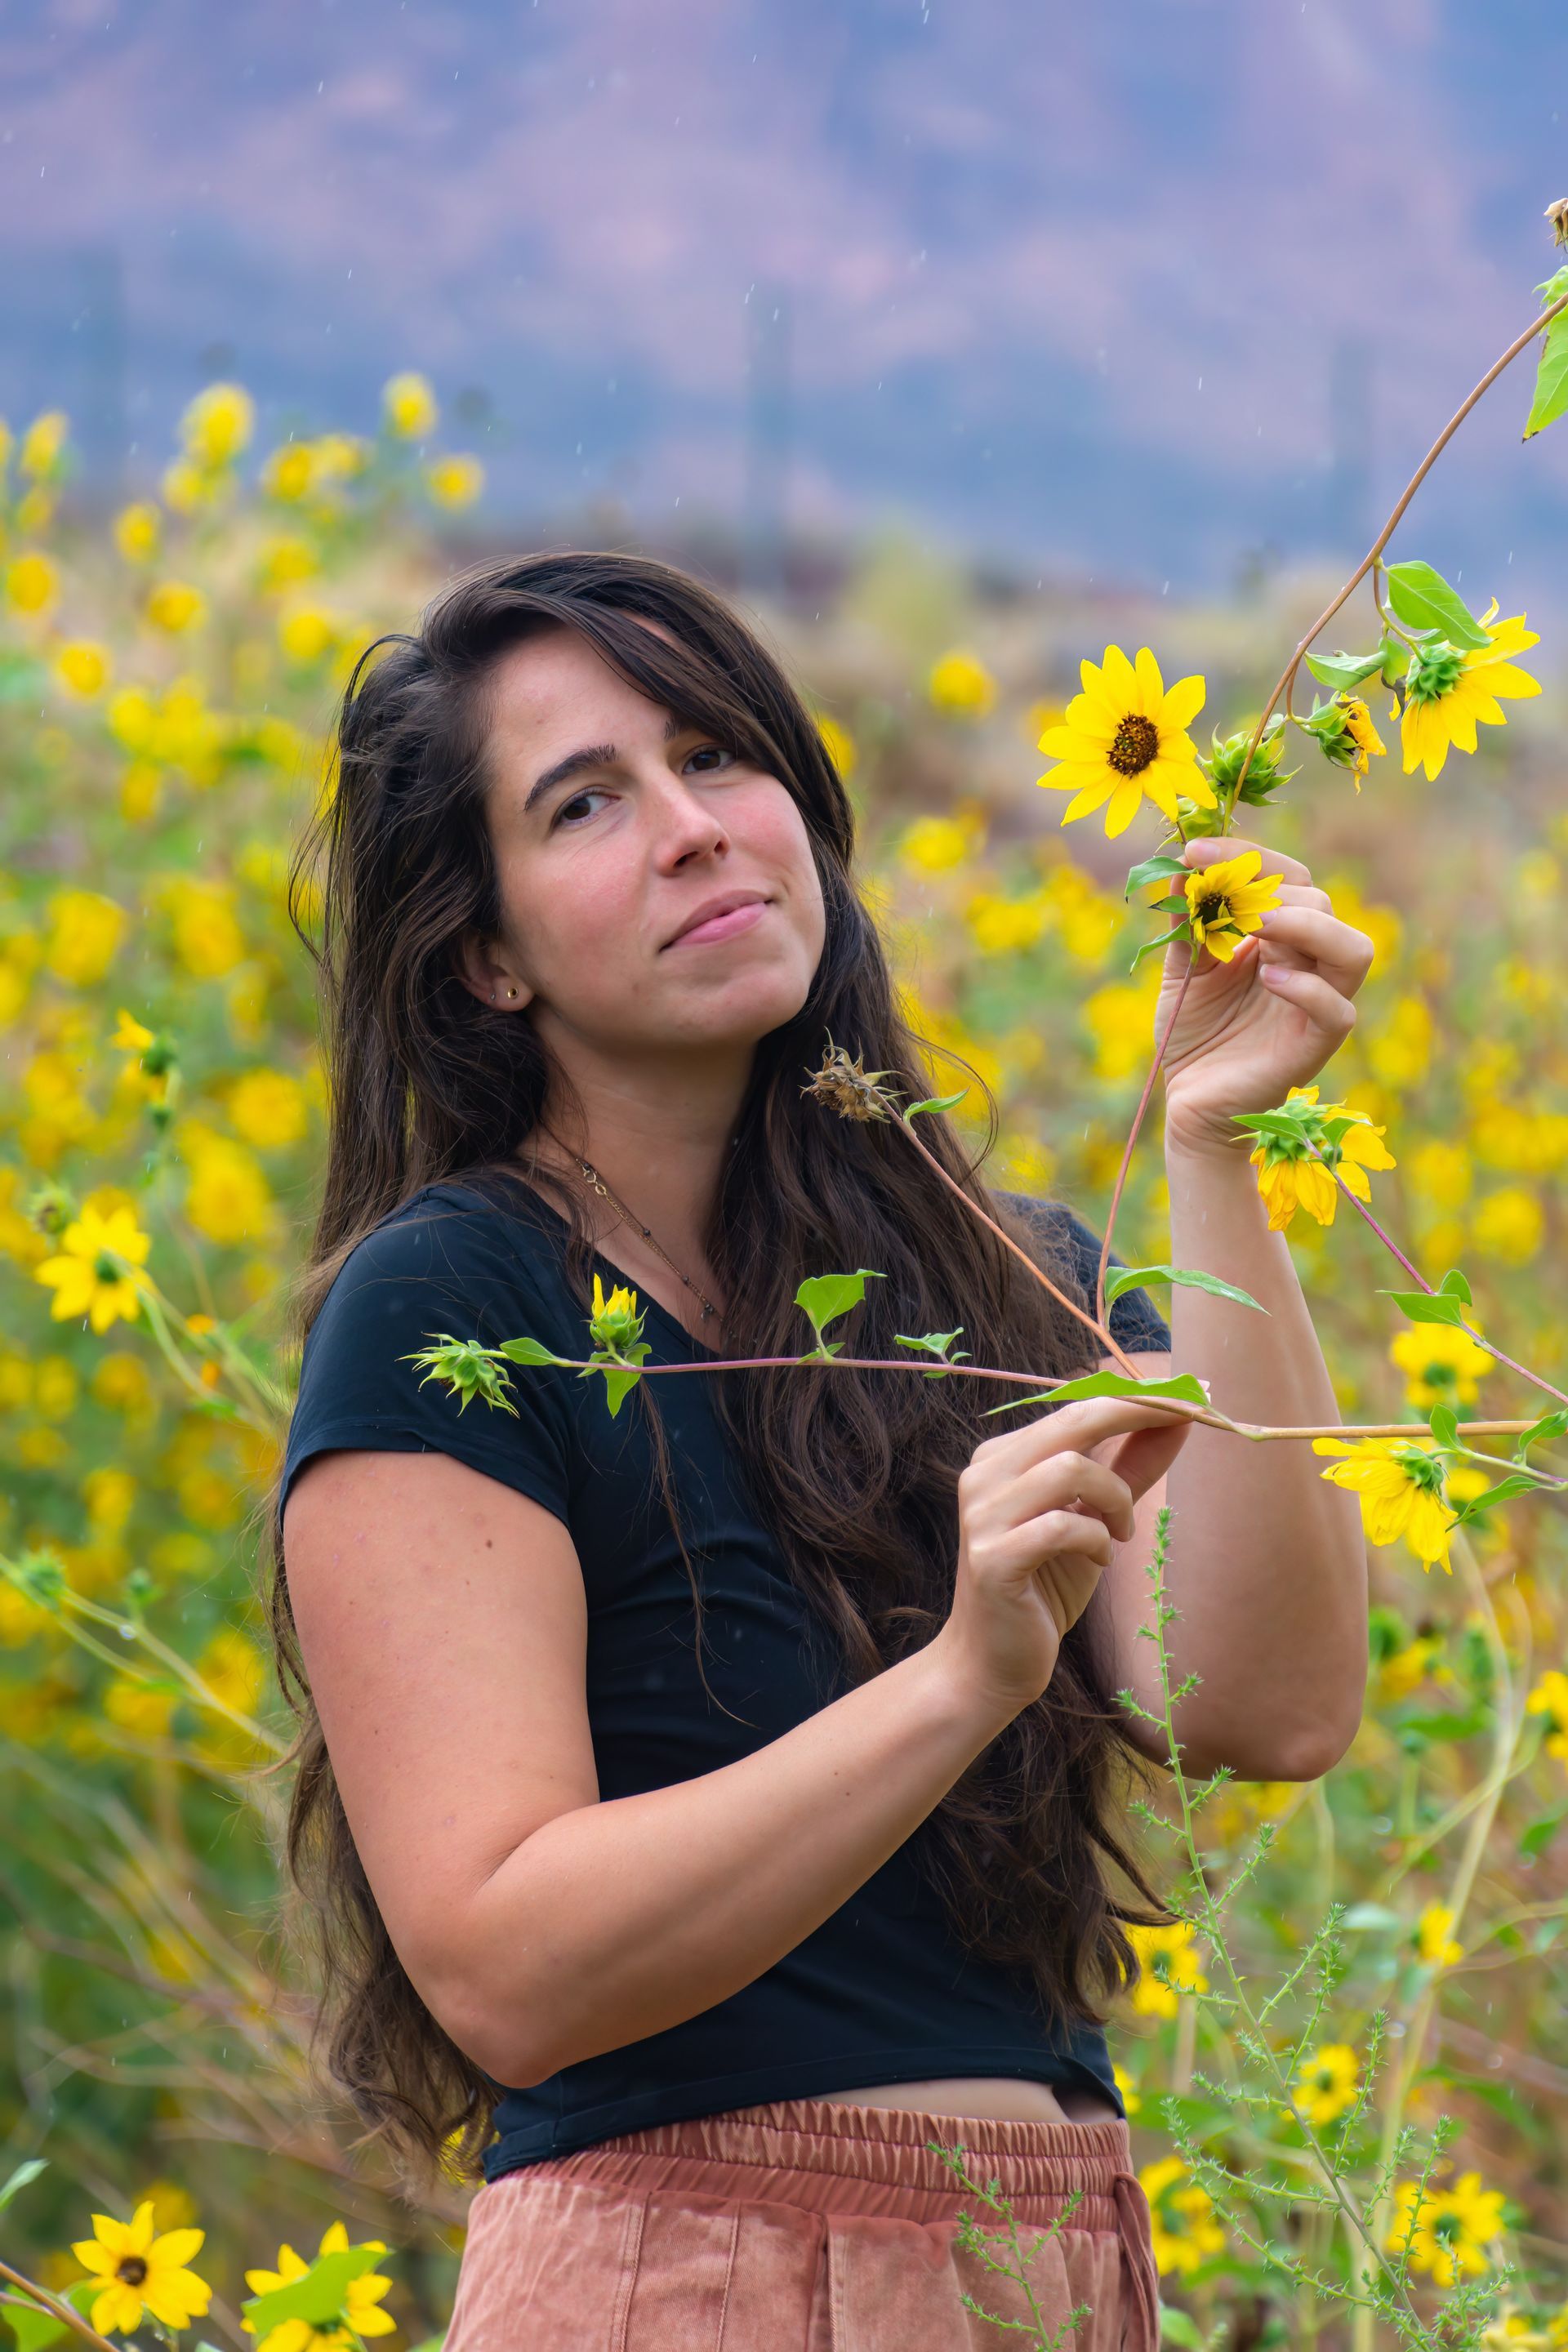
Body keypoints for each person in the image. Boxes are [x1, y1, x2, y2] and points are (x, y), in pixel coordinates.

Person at [268, 550, 1371, 2348]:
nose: (694, 828)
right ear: (485, 954)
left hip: (1048, 2276)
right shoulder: (453, 1308)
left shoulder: (997, 1276)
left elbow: (1270, 1701)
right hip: (676, 2276)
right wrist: (962, 1680)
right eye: (584, 804)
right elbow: (506, 1967)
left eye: (717, 755)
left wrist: (1213, 1144)